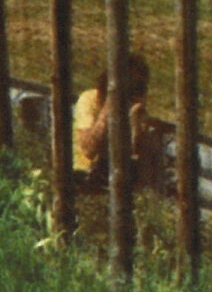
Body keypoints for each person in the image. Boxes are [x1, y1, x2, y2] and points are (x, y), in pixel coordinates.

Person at [72, 54, 172, 195]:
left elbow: (135, 153)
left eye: (138, 86)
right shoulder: (89, 100)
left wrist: (136, 119)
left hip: (117, 176)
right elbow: (89, 150)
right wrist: (109, 107)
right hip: (85, 175)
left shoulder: (133, 108)